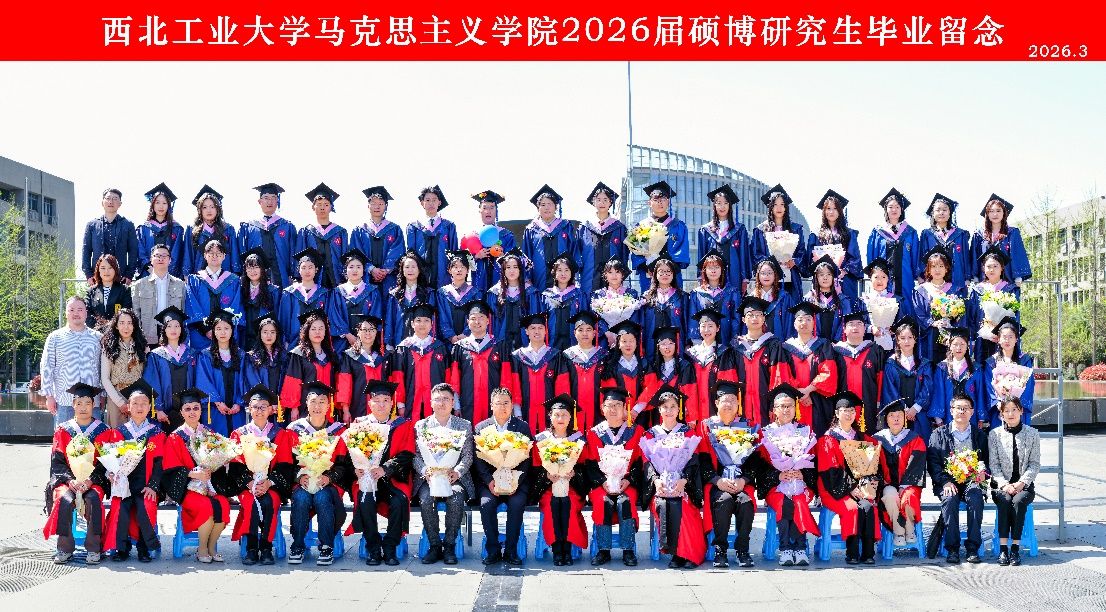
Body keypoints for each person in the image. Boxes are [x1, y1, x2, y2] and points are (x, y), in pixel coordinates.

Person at [160, 387, 242, 563]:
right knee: (206, 507)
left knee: (223, 504)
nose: (192, 412)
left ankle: (211, 547)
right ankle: (202, 549)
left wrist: (221, 462)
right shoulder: (175, 437)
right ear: (181, 412)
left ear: (201, 410)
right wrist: (194, 474)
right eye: (188, 409)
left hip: (210, 486)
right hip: (187, 489)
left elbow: (217, 461)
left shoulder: (209, 434)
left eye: (196, 408)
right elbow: (169, 469)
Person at [43, 383, 113, 565]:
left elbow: (105, 464)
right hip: (68, 481)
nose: (83, 408)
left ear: (93, 405)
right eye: (79, 403)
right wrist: (70, 480)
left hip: (93, 481)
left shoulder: (104, 430)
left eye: (87, 403)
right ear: (73, 405)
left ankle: (94, 549)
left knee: (94, 499)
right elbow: (57, 462)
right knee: (63, 499)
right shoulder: (63, 430)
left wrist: (90, 480)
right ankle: (64, 548)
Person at [229, 385, 297, 566]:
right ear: (249, 409)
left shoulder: (280, 434)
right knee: (251, 503)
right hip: (248, 487)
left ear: (271, 410)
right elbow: (235, 466)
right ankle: (252, 548)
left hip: (271, 485)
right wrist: (250, 483)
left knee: (271, 501)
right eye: (255, 407)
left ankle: (266, 547)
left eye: (263, 407)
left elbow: (285, 465)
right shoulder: (239, 434)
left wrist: (269, 483)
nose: (259, 411)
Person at [349, 380, 415, 566]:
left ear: (392, 403)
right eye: (377, 400)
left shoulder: (403, 425)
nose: (381, 404)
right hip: (367, 479)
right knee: (365, 500)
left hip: (393, 479)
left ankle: (390, 546)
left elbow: (407, 454)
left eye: (386, 400)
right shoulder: (359, 424)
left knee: (399, 500)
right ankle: (373, 547)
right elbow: (348, 454)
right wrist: (356, 469)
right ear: (369, 403)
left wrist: (385, 469)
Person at [753, 384, 821, 566]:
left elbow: (813, 462)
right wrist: (778, 476)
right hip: (775, 486)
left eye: (790, 405)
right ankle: (788, 549)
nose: (786, 410)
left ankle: (798, 549)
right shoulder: (765, 433)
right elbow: (760, 467)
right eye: (782, 406)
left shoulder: (805, 431)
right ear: (774, 409)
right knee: (786, 502)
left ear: (795, 407)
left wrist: (802, 474)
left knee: (798, 500)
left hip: (801, 483)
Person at [641, 385, 706, 569]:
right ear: (659, 409)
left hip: (683, 485)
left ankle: (690, 554)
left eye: (673, 407)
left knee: (685, 508)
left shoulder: (688, 432)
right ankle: (676, 553)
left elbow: (694, 462)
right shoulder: (650, 434)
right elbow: (647, 463)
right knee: (663, 504)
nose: (669, 411)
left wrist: (684, 480)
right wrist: (656, 481)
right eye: (665, 407)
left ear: (679, 409)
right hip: (660, 486)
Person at [286, 381, 350, 565]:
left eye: (322, 402)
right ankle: (298, 545)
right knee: (301, 498)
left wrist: (329, 477)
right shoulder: (294, 430)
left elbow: (343, 464)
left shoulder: (338, 431)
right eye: (313, 401)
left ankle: (326, 546)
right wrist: (299, 477)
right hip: (303, 482)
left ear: (328, 406)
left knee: (322, 498)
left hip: (328, 482)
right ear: (306, 403)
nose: (317, 406)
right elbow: (287, 463)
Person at [101, 380, 165, 562]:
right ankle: (122, 548)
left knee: (146, 506)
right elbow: (111, 460)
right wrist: (110, 473)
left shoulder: (157, 433)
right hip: (124, 485)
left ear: (150, 407)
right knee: (119, 508)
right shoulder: (119, 432)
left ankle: (144, 548)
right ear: (128, 407)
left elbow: (160, 464)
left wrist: (153, 486)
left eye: (144, 403)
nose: (139, 407)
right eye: (135, 403)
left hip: (146, 485)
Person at [817, 390, 882, 565]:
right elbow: (830, 471)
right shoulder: (828, 439)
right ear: (837, 413)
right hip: (833, 489)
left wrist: (867, 485)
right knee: (853, 508)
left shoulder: (862, 438)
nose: (849, 414)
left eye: (852, 410)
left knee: (869, 507)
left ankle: (868, 553)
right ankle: (852, 553)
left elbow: (870, 466)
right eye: (845, 410)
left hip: (859, 488)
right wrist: (851, 488)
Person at [413, 383, 475, 565]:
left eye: (446, 399)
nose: (442, 403)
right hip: (429, 478)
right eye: (438, 399)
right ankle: (434, 545)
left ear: (453, 402)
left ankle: (449, 545)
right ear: (431, 402)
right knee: (426, 499)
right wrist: (425, 471)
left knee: (455, 498)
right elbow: (415, 456)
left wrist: (457, 472)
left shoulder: (464, 425)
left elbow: (468, 456)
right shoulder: (421, 425)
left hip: (453, 477)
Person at [698, 380, 757, 568]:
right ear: (716, 403)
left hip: (740, 483)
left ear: (738, 403)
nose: (729, 404)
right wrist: (717, 480)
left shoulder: (747, 426)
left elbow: (754, 461)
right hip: (717, 483)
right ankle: (720, 549)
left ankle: (742, 549)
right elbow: (702, 460)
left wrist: (744, 480)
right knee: (724, 501)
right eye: (725, 400)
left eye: (733, 400)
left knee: (745, 502)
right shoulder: (706, 427)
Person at [474, 387, 535, 566]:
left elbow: (527, 459)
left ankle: (511, 550)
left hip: (516, 482)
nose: (502, 407)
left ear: (512, 405)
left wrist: (516, 481)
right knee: (486, 504)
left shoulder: (522, 427)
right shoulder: (481, 427)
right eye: (498, 403)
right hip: (490, 482)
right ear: (491, 405)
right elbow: (478, 460)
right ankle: (493, 550)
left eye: (506, 403)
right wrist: (489, 481)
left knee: (516, 504)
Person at [584, 386, 643, 567]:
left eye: (618, 405)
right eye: (609, 405)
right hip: (602, 485)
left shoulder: (636, 431)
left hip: (627, 484)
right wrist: (602, 482)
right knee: (603, 501)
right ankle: (603, 550)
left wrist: (629, 480)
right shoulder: (594, 433)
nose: (613, 409)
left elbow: (640, 463)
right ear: (602, 408)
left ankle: (628, 550)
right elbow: (590, 464)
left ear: (625, 408)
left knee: (626, 501)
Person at [927, 393, 989, 564]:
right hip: (947, 481)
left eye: (966, 408)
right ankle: (952, 549)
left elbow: (987, 461)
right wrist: (944, 481)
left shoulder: (980, 435)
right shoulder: (938, 434)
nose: (962, 411)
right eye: (958, 408)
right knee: (950, 499)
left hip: (972, 480)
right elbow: (933, 463)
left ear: (972, 412)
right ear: (951, 410)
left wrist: (982, 473)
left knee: (976, 497)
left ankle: (972, 548)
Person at [530, 394, 590, 566]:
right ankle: (557, 550)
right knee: (552, 504)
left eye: (564, 415)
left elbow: (586, 468)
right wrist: (547, 476)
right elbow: (535, 469)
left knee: (569, 504)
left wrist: (574, 474)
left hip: (573, 487)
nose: (560, 418)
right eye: (556, 415)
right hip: (548, 487)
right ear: (550, 416)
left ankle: (567, 549)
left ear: (571, 417)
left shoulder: (578, 440)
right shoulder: (541, 440)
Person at [989, 397, 1040, 566]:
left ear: (1021, 411)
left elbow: (1034, 464)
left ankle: (1015, 549)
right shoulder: (994, 434)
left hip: (1024, 486)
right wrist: (1005, 485)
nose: (1010, 414)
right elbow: (994, 465)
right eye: (1006, 411)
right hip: (1001, 486)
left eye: (1014, 410)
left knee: (1018, 501)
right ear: (1001, 414)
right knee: (1005, 500)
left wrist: (1021, 483)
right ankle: (1003, 549)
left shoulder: (1032, 434)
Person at [40, 296, 104, 428]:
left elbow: (103, 369)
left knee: (95, 438)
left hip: (92, 402)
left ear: (86, 312)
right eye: (72, 309)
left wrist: (103, 395)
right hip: (65, 401)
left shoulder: (97, 338)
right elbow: (47, 367)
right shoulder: (55, 338)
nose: (76, 313)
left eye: (80, 309)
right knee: (64, 439)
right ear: (66, 313)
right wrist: (49, 396)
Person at [874, 399, 927, 547]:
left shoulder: (915, 439)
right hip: (886, 484)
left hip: (909, 484)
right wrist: (882, 482)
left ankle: (909, 529)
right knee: (890, 496)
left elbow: (917, 465)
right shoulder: (877, 440)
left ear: (905, 418)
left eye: (899, 415)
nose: (896, 419)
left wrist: (904, 485)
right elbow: (872, 467)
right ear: (886, 419)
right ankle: (899, 532)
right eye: (892, 416)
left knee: (908, 497)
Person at [449, 299, 511, 425]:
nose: (477, 322)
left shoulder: (499, 345)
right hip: (467, 404)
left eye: (481, 318)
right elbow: (454, 379)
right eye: (473, 318)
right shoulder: (460, 347)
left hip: (494, 405)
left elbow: (506, 378)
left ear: (488, 321)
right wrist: (456, 405)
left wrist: (505, 404)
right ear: (468, 322)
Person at [780, 302, 839, 435]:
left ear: (814, 323)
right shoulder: (786, 347)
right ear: (794, 324)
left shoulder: (823, 345)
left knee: (818, 435)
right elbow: (783, 373)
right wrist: (799, 393)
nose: (804, 323)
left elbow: (828, 371)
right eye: (800, 320)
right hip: (792, 399)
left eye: (808, 319)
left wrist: (807, 390)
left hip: (817, 400)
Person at [731, 296, 789, 428]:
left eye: (758, 315)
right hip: (741, 405)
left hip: (765, 405)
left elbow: (778, 377)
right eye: (750, 315)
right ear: (743, 320)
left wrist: (775, 404)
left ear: (764, 318)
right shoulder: (736, 346)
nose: (755, 318)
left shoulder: (773, 345)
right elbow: (730, 378)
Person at [392, 303, 452, 421]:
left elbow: (448, 377)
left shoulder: (440, 347)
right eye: (418, 320)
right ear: (412, 324)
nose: (422, 324)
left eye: (426, 320)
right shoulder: (403, 348)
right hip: (410, 402)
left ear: (432, 324)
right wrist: (400, 404)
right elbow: (398, 377)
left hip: (437, 403)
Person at [866, 188, 921, 317]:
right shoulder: (877, 232)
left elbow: (915, 257)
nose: (894, 210)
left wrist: (918, 275)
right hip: (883, 280)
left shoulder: (910, 232)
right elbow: (872, 257)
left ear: (902, 209)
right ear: (886, 209)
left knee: (906, 310)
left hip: (905, 279)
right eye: (890, 207)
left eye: (897, 207)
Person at [882, 316, 937, 442]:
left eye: (910, 337)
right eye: (902, 338)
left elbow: (928, 388)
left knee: (920, 445)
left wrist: (915, 408)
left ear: (915, 340)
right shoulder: (891, 364)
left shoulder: (924, 364)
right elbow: (889, 390)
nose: (906, 341)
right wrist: (904, 410)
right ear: (897, 340)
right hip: (898, 414)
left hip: (919, 414)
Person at [143, 306, 198, 432]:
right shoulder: (156, 356)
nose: (173, 329)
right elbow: (152, 383)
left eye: (177, 326)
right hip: (165, 414)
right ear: (164, 330)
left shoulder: (192, 354)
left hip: (188, 411)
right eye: (169, 326)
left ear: (182, 329)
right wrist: (158, 409)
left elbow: (198, 381)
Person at [508, 313, 567, 430]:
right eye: (533, 328)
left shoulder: (555, 356)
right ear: (526, 331)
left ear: (546, 331)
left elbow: (562, 386)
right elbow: (515, 385)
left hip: (550, 414)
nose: (537, 331)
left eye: (540, 328)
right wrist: (517, 412)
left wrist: (559, 412)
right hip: (524, 412)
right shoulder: (518, 356)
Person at [630, 181, 690, 292]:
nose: (660, 202)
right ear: (649, 203)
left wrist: (668, 269)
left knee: (674, 300)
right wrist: (646, 267)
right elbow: (635, 254)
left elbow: (682, 251)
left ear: (668, 202)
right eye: (656, 199)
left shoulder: (679, 226)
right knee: (649, 300)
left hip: (672, 275)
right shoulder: (641, 226)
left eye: (663, 199)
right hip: (649, 275)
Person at [280, 310, 339, 422]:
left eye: (321, 329)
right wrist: (294, 408)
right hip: (305, 406)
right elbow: (293, 381)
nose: (317, 332)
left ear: (326, 331)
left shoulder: (331, 354)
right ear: (307, 331)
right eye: (313, 329)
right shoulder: (298, 354)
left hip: (326, 406)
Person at [183, 239, 242, 351]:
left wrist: (223, 329)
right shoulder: (194, 280)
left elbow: (236, 306)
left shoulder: (233, 280)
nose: (214, 256)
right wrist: (205, 329)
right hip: (200, 335)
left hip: (226, 335)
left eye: (218, 253)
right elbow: (192, 306)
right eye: (211, 253)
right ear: (205, 255)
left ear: (224, 256)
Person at [350, 186, 406, 303]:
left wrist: (385, 270)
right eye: (374, 203)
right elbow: (356, 254)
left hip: (389, 278)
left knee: (389, 306)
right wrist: (371, 269)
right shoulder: (359, 230)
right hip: (365, 277)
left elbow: (398, 251)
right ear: (368, 206)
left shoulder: (394, 229)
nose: (377, 206)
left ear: (386, 206)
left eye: (381, 203)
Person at [912, 245, 968, 363]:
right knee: (929, 365)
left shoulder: (955, 290)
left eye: (941, 266)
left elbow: (962, 316)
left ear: (947, 269)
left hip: (951, 336)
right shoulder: (921, 291)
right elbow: (918, 314)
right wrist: (932, 322)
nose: (937, 270)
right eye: (933, 266)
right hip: (929, 336)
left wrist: (952, 324)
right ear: (928, 269)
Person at [833, 310, 886, 434]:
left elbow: (881, 379)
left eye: (859, 324)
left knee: (867, 438)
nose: (855, 327)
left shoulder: (875, 350)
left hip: (868, 405)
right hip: (842, 407)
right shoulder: (836, 352)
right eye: (851, 324)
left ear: (864, 329)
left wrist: (879, 404)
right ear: (844, 330)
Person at [752, 185, 806, 304]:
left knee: (791, 306)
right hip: (769, 277)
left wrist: (795, 262)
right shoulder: (761, 230)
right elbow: (756, 254)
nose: (779, 208)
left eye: (782, 204)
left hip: (790, 276)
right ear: (770, 207)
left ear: (786, 207)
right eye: (775, 204)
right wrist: (770, 263)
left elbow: (802, 251)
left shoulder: (796, 229)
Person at [196, 309, 246, 436]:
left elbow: (245, 381)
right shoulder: (205, 355)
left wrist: (239, 402)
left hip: (237, 410)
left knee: (238, 441)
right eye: (218, 329)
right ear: (213, 331)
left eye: (226, 328)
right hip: (214, 409)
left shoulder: (241, 355)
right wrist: (217, 402)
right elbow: (203, 382)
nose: (222, 332)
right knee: (216, 442)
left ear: (232, 330)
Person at [967, 247, 1021, 363]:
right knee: (983, 367)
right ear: (983, 268)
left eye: (995, 266)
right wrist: (977, 334)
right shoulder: (977, 290)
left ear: (1002, 268)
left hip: (1005, 338)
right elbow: (972, 317)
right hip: (982, 338)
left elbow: (1015, 315)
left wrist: (1001, 331)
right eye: (988, 266)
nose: (992, 270)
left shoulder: (1011, 289)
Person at [806, 189, 863, 300]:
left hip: (844, 281)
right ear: (824, 211)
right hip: (823, 281)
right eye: (828, 208)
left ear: (840, 211)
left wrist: (845, 270)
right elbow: (809, 260)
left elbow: (855, 258)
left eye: (835, 208)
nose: (831, 212)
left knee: (845, 307)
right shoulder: (816, 235)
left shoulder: (849, 234)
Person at [238, 183, 297, 288]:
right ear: (259, 202)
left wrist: (293, 276)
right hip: (254, 280)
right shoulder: (249, 227)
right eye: (266, 198)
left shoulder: (287, 226)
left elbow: (293, 253)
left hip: (281, 278)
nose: (270, 202)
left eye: (273, 198)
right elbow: (242, 253)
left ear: (277, 201)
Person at [685, 307, 737, 424]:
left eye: (710, 326)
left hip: (715, 408)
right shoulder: (691, 354)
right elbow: (687, 385)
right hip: (695, 410)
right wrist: (691, 412)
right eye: (703, 326)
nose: (706, 330)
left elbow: (727, 385)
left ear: (718, 328)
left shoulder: (724, 353)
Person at [638, 326, 698, 427]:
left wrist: (692, 418)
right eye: (663, 344)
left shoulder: (684, 366)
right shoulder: (653, 367)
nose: (667, 347)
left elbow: (690, 392)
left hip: (679, 415)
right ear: (658, 347)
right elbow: (649, 390)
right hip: (658, 416)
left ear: (676, 345)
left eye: (671, 343)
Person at [981, 317, 1036, 429]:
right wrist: (998, 403)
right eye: (1004, 337)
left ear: (1016, 339)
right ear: (998, 339)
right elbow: (988, 386)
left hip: (1019, 409)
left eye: (1011, 337)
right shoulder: (992, 362)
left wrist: (1016, 405)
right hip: (999, 410)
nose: (1007, 340)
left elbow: (1029, 384)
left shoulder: (1025, 360)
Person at [559, 311, 609, 432]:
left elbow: (608, 384)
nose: (585, 333)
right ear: (574, 333)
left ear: (594, 333)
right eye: (580, 330)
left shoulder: (604, 355)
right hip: (574, 408)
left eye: (588, 329)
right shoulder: (567, 355)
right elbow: (562, 384)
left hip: (598, 408)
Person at [698, 184, 751, 294]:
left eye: (726, 203)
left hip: (734, 275)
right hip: (712, 276)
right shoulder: (706, 230)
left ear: (730, 206)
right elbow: (702, 255)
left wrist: (745, 278)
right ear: (714, 206)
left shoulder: (739, 229)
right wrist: (701, 276)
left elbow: (744, 254)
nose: (722, 207)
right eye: (719, 203)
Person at [576, 182, 628, 294]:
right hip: (589, 278)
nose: (602, 203)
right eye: (598, 200)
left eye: (605, 200)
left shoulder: (619, 228)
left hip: (613, 279)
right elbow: (577, 255)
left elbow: (624, 255)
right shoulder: (584, 228)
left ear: (610, 202)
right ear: (593, 202)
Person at [335, 314, 390, 421]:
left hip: (382, 408)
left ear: (376, 332)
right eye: (364, 329)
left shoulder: (384, 356)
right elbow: (344, 384)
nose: (368, 333)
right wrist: (346, 410)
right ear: (358, 332)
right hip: (358, 407)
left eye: (372, 329)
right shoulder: (350, 356)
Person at [130, 244, 186, 349]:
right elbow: (136, 313)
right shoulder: (139, 285)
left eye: (164, 256)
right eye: (157, 256)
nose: (161, 258)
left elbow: (183, 310)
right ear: (151, 260)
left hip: (172, 333)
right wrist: (139, 337)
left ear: (170, 260)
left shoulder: (180, 284)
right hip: (148, 334)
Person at [99, 308, 147, 429]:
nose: (126, 327)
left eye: (129, 323)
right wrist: (120, 403)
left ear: (134, 326)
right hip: (116, 396)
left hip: (138, 397)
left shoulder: (142, 346)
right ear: (116, 325)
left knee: (138, 434)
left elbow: (146, 374)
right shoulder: (108, 347)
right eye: (122, 323)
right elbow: (105, 378)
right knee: (118, 435)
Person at [277, 247, 332, 351]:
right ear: (298, 270)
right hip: (294, 344)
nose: (307, 271)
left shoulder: (324, 294)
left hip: (319, 345)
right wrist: (285, 343)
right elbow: (283, 321)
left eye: (310, 267)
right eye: (303, 267)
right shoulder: (289, 293)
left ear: (316, 270)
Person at [330, 248, 384, 354]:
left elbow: (375, 315)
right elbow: (335, 317)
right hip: (343, 342)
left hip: (367, 341)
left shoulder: (372, 291)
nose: (355, 270)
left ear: (363, 270)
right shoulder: (338, 292)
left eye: (359, 267)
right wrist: (348, 335)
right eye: (351, 267)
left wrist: (363, 336)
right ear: (345, 270)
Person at [971, 194, 1032, 286]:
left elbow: (1017, 254)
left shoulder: (1012, 233)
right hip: (984, 281)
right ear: (987, 214)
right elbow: (974, 256)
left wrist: (1018, 276)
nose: (995, 214)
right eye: (991, 211)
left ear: (1004, 213)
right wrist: (975, 275)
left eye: (998, 210)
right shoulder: (978, 235)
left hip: (1007, 280)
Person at [522, 184, 575, 291]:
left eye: (550, 204)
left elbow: (573, 251)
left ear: (556, 207)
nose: (547, 207)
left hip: (563, 278)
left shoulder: (565, 226)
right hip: (539, 277)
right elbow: (526, 256)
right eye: (543, 204)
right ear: (538, 208)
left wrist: (574, 276)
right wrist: (527, 278)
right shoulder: (531, 229)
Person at [296, 183, 348, 289]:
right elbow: (300, 258)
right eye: (319, 204)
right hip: (312, 282)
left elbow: (345, 257)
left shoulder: (340, 232)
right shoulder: (306, 232)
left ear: (331, 207)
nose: (322, 208)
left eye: (326, 204)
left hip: (337, 280)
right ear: (313, 207)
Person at [931, 327, 986, 428]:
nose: (958, 348)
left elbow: (980, 393)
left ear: (967, 347)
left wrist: (981, 418)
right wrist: (938, 418)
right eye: (955, 344)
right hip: (948, 417)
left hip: (971, 417)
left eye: (962, 344)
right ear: (950, 346)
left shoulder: (975, 368)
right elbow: (938, 393)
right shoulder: (942, 368)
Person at [82, 188, 139, 286]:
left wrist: (129, 275)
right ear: (102, 202)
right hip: (97, 277)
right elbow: (86, 250)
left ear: (120, 203)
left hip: (120, 278)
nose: (111, 201)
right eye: (108, 198)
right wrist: (88, 274)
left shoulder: (128, 225)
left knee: (120, 298)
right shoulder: (92, 225)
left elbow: (133, 251)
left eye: (115, 199)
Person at [599, 321, 650, 428]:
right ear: (618, 343)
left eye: (632, 341)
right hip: (617, 414)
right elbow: (609, 390)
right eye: (624, 341)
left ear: (637, 343)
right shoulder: (611, 365)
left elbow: (650, 387)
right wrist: (622, 411)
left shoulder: (644, 364)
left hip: (641, 413)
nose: (628, 344)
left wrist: (636, 410)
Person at [488, 248, 541, 351]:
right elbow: (492, 323)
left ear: (520, 269)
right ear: (503, 270)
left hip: (525, 345)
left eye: (515, 267)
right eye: (508, 267)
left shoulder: (531, 293)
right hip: (500, 345)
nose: (511, 270)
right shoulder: (494, 293)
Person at [406, 185, 457, 289]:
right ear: (422, 203)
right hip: (421, 277)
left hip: (444, 277)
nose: (431, 203)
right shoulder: (414, 227)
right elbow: (411, 254)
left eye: (434, 200)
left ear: (439, 202)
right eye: (427, 200)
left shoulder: (448, 226)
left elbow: (454, 252)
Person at [384, 250, 437, 349]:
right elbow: (390, 320)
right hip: (399, 342)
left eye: (413, 267)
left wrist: (431, 342)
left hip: (423, 346)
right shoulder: (394, 295)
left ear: (419, 270)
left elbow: (432, 320)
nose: (410, 270)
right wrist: (389, 344)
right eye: (407, 267)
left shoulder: (428, 294)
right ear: (402, 270)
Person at [181, 185, 239, 277]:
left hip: (224, 277)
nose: (209, 210)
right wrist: (187, 275)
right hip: (200, 276)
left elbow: (234, 254)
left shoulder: (228, 229)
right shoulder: (192, 230)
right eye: (204, 207)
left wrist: (235, 275)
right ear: (199, 209)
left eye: (212, 207)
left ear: (218, 209)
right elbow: (188, 255)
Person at [919, 194, 972, 292]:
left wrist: (967, 278)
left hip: (957, 280)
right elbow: (922, 257)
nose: (941, 213)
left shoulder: (960, 234)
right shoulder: (927, 234)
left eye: (944, 210)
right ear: (932, 213)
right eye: (938, 210)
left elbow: (966, 258)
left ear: (950, 213)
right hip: (934, 282)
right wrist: (921, 276)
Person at [639, 255, 689, 360]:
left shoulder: (682, 297)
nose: (665, 274)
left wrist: (688, 343)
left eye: (668, 271)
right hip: (652, 344)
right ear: (655, 274)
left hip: (676, 343)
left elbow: (686, 322)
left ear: (673, 274)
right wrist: (641, 344)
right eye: (661, 271)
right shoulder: (647, 297)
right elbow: (642, 324)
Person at [469, 189, 518, 292]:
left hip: (501, 284)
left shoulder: (506, 235)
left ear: (496, 211)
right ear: (479, 210)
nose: (488, 211)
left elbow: (515, 261)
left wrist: (502, 255)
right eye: (484, 208)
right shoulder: (472, 236)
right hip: (479, 284)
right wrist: (477, 256)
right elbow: (463, 263)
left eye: (492, 207)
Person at [687, 250, 738, 345]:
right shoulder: (696, 294)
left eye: (717, 267)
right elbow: (693, 319)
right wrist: (696, 342)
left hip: (726, 341)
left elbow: (736, 319)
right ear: (704, 271)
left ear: (722, 270)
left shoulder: (732, 292)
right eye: (710, 268)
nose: (713, 271)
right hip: (704, 344)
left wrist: (734, 340)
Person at [135, 183, 184, 279]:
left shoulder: (176, 228)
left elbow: (176, 252)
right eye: (157, 202)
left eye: (164, 203)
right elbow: (140, 251)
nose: (161, 206)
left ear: (169, 205)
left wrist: (166, 271)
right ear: (152, 205)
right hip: (148, 274)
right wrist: (149, 268)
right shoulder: (143, 228)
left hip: (170, 275)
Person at [589, 257, 641, 348]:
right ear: (605, 275)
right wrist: (607, 332)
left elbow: (634, 316)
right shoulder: (598, 295)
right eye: (610, 272)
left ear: (623, 274)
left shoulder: (631, 294)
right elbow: (595, 317)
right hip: (604, 336)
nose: (614, 275)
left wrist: (622, 333)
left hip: (626, 336)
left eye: (617, 272)